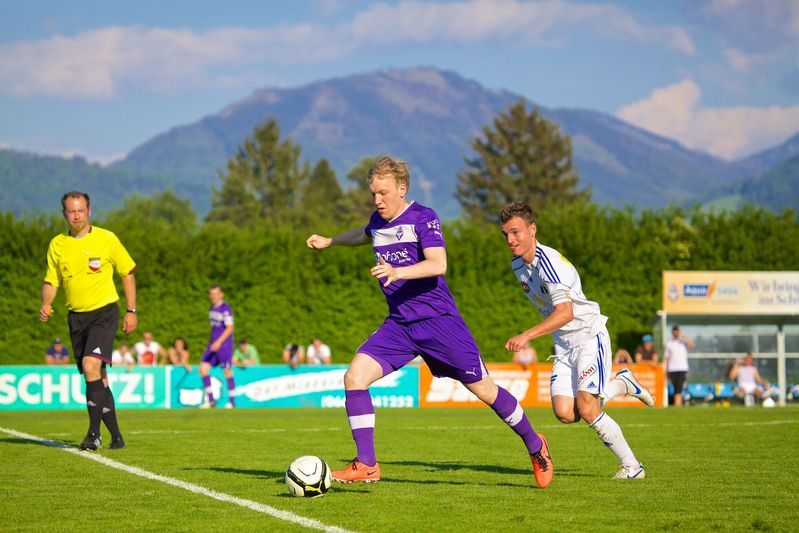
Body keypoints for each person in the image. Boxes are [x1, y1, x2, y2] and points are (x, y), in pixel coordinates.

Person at [306, 155, 554, 489]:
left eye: (383, 193)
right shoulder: (378, 221)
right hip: (400, 325)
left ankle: (536, 445)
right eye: (373, 194)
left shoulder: (424, 217)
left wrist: (398, 272)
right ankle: (367, 464)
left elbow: (438, 264)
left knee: (485, 390)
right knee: (354, 377)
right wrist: (331, 241)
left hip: (439, 323)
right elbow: (365, 234)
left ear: (402, 189)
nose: (377, 200)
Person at [499, 201, 653, 480]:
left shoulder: (550, 264)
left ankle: (633, 467)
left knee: (588, 408)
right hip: (563, 345)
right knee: (565, 413)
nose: (510, 240)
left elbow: (566, 313)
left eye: (516, 232)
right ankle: (622, 383)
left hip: (588, 336)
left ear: (532, 230)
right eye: (506, 234)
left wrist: (527, 335)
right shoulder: (517, 265)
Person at [39, 191, 136, 450]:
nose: (77, 215)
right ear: (64, 214)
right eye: (71, 211)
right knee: (98, 377)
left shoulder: (107, 238)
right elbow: (51, 281)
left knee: (91, 365)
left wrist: (131, 310)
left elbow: (127, 272)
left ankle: (93, 434)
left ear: (89, 211)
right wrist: (46, 303)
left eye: (81, 210)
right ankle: (117, 437)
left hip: (104, 313)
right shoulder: (57, 244)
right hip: (76, 318)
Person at [199, 285, 236, 409]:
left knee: (227, 371)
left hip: (224, 345)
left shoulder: (225, 309)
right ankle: (211, 400)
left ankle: (232, 402)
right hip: (213, 345)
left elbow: (230, 328)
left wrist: (219, 342)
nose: (213, 296)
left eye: (215, 293)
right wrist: (211, 342)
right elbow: (215, 328)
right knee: (203, 368)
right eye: (211, 293)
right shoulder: (212, 308)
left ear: (221, 294)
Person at [664, 324, 693, 407]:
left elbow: (691, 345)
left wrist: (684, 337)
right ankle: (678, 404)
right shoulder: (669, 344)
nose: (675, 334)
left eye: (677, 332)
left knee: (679, 387)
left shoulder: (683, 342)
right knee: (675, 387)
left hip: (682, 368)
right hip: (672, 369)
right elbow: (666, 358)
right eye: (674, 332)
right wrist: (666, 369)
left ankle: (677, 404)